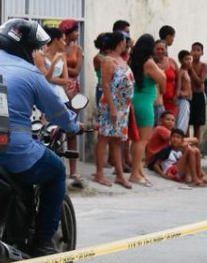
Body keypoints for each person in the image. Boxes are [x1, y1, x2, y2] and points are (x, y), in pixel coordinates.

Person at [0, 19, 79, 255]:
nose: (35, 53)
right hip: (12, 152)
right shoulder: (30, 73)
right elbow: (57, 111)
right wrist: (74, 125)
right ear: (25, 47)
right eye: (34, 48)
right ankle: (43, 241)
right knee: (57, 171)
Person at [92, 32, 132, 188]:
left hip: (123, 106)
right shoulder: (108, 61)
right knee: (104, 137)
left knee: (117, 140)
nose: (125, 45)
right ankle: (99, 173)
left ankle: (120, 174)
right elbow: (106, 85)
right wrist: (112, 108)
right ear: (119, 43)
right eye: (123, 42)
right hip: (111, 105)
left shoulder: (121, 60)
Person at [127, 34, 165, 187]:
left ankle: (139, 170)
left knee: (136, 139)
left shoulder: (133, 60)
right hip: (145, 103)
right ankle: (135, 173)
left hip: (135, 100)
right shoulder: (149, 63)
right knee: (142, 141)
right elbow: (162, 79)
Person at [58, 19, 84, 184]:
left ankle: (73, 171)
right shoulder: (56, 48)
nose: (78, 34)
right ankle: (60, 167)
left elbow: (77, 70)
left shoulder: (77, 49)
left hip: (73, 90)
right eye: (75, 30)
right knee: (57, 131)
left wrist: (62, 67)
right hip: (59, 90)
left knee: (72, 129)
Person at [188, 41, 207, 141]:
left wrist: (191, 70)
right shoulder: (186, 65)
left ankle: (196, 148)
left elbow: (200, 82)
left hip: (198, 96)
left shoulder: (203, 66)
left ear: (202, 53)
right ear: (190, 52)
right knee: (186, 123)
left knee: (197, 125)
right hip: (188, 96)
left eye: (198, 50)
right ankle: (186, 148)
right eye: (193, 50)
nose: (195, 52)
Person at [156, 40, 177, 123]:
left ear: (166, 50)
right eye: (157, 49)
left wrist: (176, 94)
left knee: (170, 126)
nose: (160, 51)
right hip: (158, 101)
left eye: (162, 49)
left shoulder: (171, 62)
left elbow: (179, 80)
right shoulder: (151, 63)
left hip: (171, 101)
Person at [176, 50, 194, 133]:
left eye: (190, 59)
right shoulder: (181, 72)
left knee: (184, 124)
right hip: (183, 100)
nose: (189, 61)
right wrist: (181, 94)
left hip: (187, 100)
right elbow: (178, 88)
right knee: (181, 124)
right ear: (180, 61)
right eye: (186, 59)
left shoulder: (186, 72)